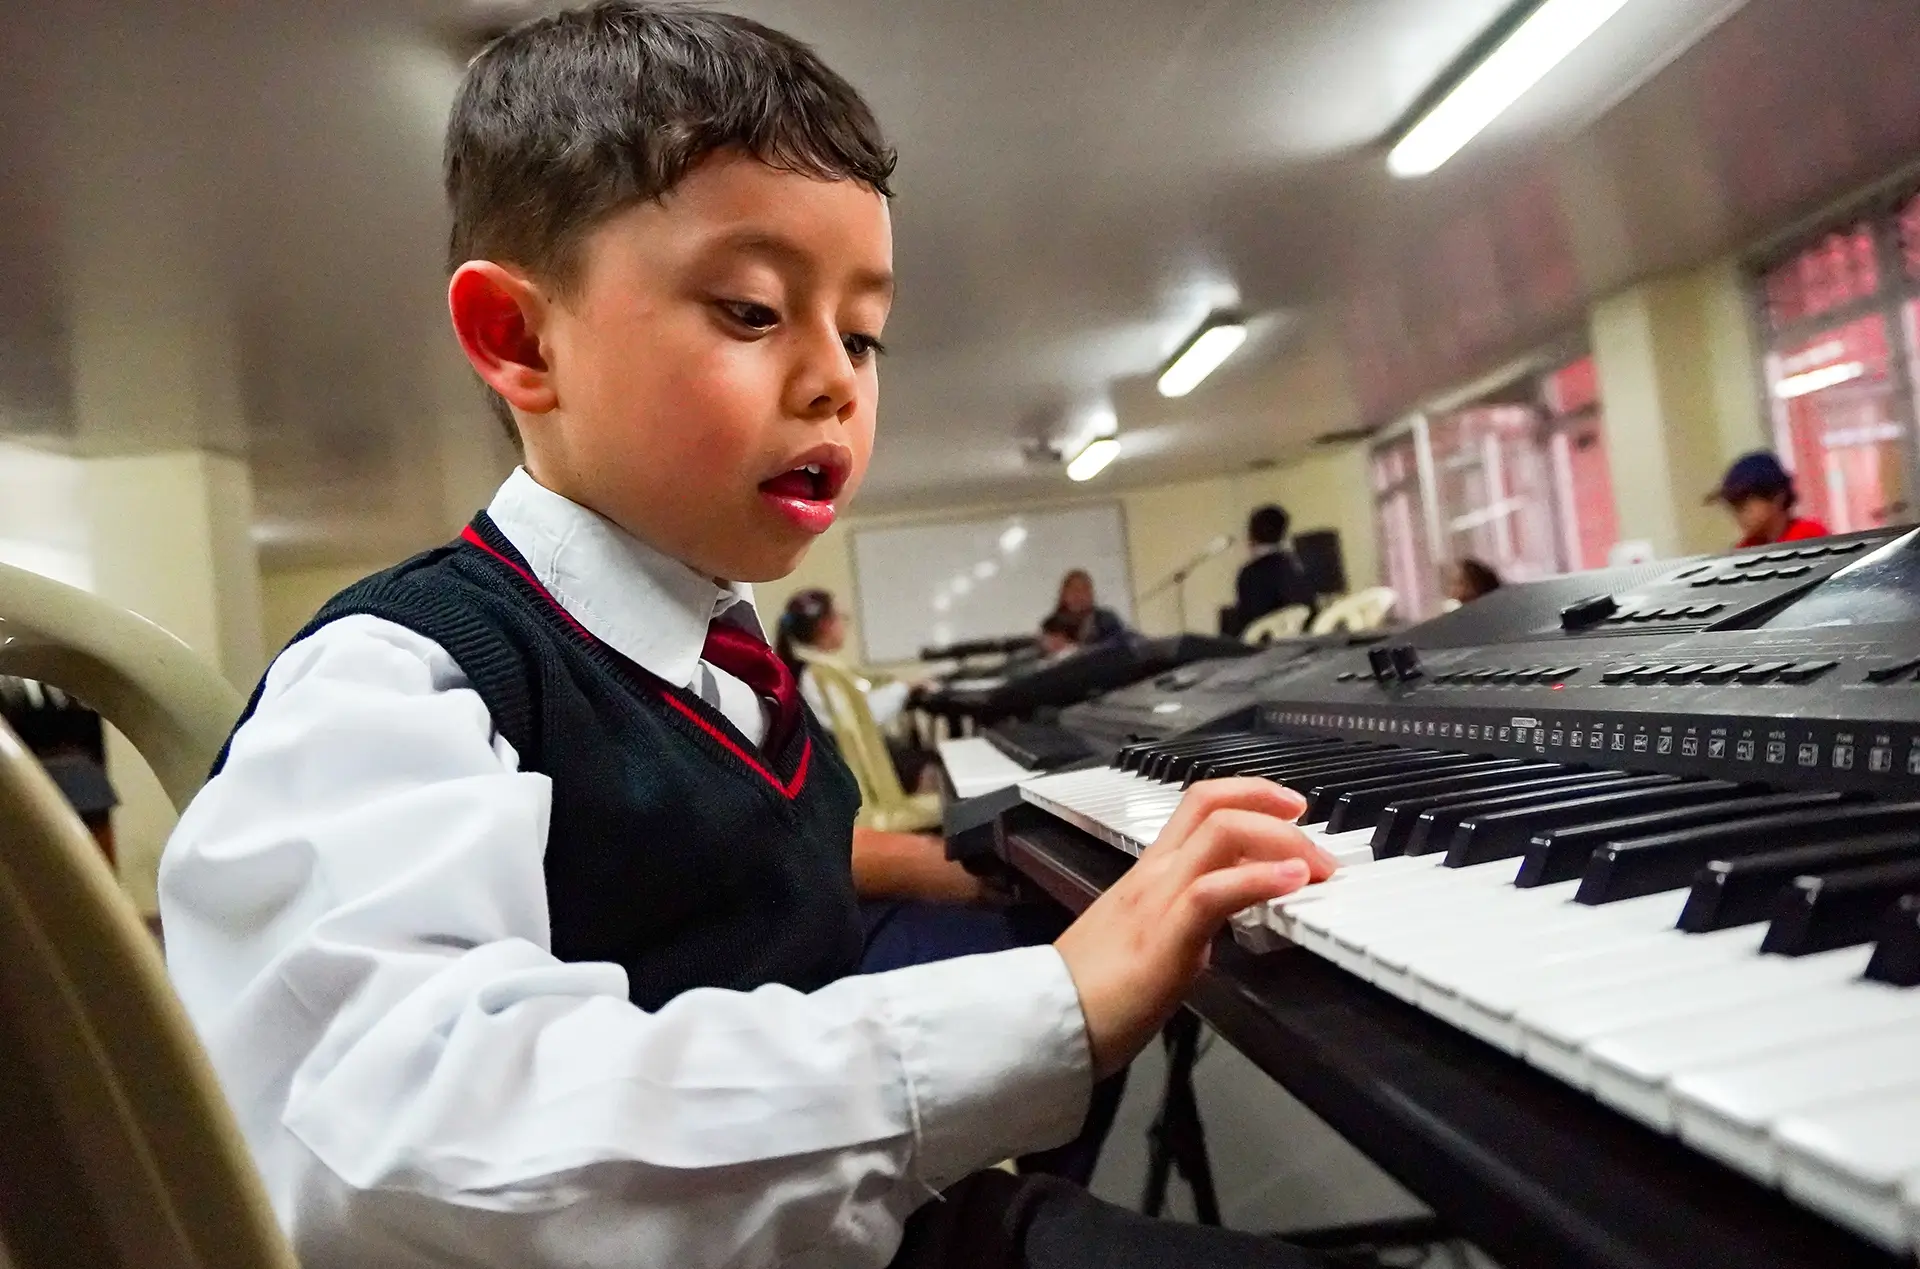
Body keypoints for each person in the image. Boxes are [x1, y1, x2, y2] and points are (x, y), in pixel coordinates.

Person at [155, 7, 1335, 1269]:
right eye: (753, 310)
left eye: (864, 333)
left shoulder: (726, 655)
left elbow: (725, 862)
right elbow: (406, 1137)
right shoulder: (400, 676)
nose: (838, 379)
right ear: (520, 339)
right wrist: (1045, 1009)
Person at [775, 587, 933, 789]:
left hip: (840, 763)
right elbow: (865, 715)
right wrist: (904, 687)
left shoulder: (803, 667)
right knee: (931, 764)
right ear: (825, 625)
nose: (845, 625)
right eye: (842, 618)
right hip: (850, 770)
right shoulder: (818, 673)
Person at [1224, 505, 1316, 638]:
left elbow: (1248, 621)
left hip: (1265, 645)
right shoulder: (1297, 566)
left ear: (1251, 535)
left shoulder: (1249, 573)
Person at [1708, 451, 1831, 548]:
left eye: (1743, 505)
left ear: (1777, 496)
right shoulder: (1746, 549)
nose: (1738, 515)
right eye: (1733, 506)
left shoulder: (1811, 537)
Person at [1044, 569, 1126, 645]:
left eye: (1084, 589)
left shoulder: (1107, 621)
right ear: (1063, 595)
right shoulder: (1051, 625)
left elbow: (1121, 649)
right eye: (1074, 589)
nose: (1079, 595)